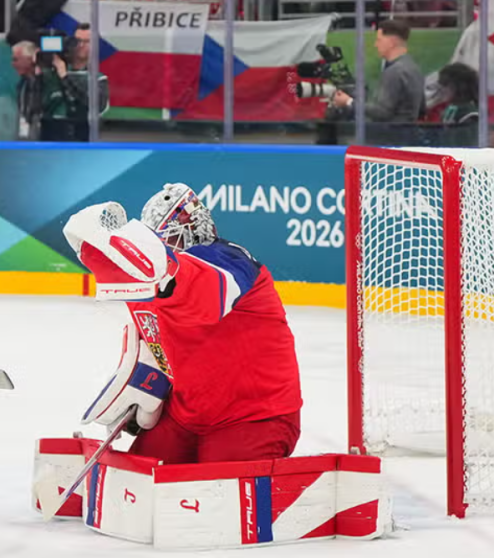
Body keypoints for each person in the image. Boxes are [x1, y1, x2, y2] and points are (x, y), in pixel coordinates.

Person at [64, 183, 302, 464]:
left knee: (214, 498)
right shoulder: (145, 283)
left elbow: (205, 297)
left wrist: (162, 267)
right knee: (137, 485)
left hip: (254, 417)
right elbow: (153, 349)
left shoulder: (230, 259)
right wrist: (144, 396)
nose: (165, 248)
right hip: (186, 415)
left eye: (169, 241)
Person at [332, 19, 424, 124]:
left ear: (391, 42)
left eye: (379, 40)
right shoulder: (415, 69)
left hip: (390, 136)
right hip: (408, 134)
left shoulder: (394, 72)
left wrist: (348, 102)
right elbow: (422, 108)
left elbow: (382, 112)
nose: (376, 45)